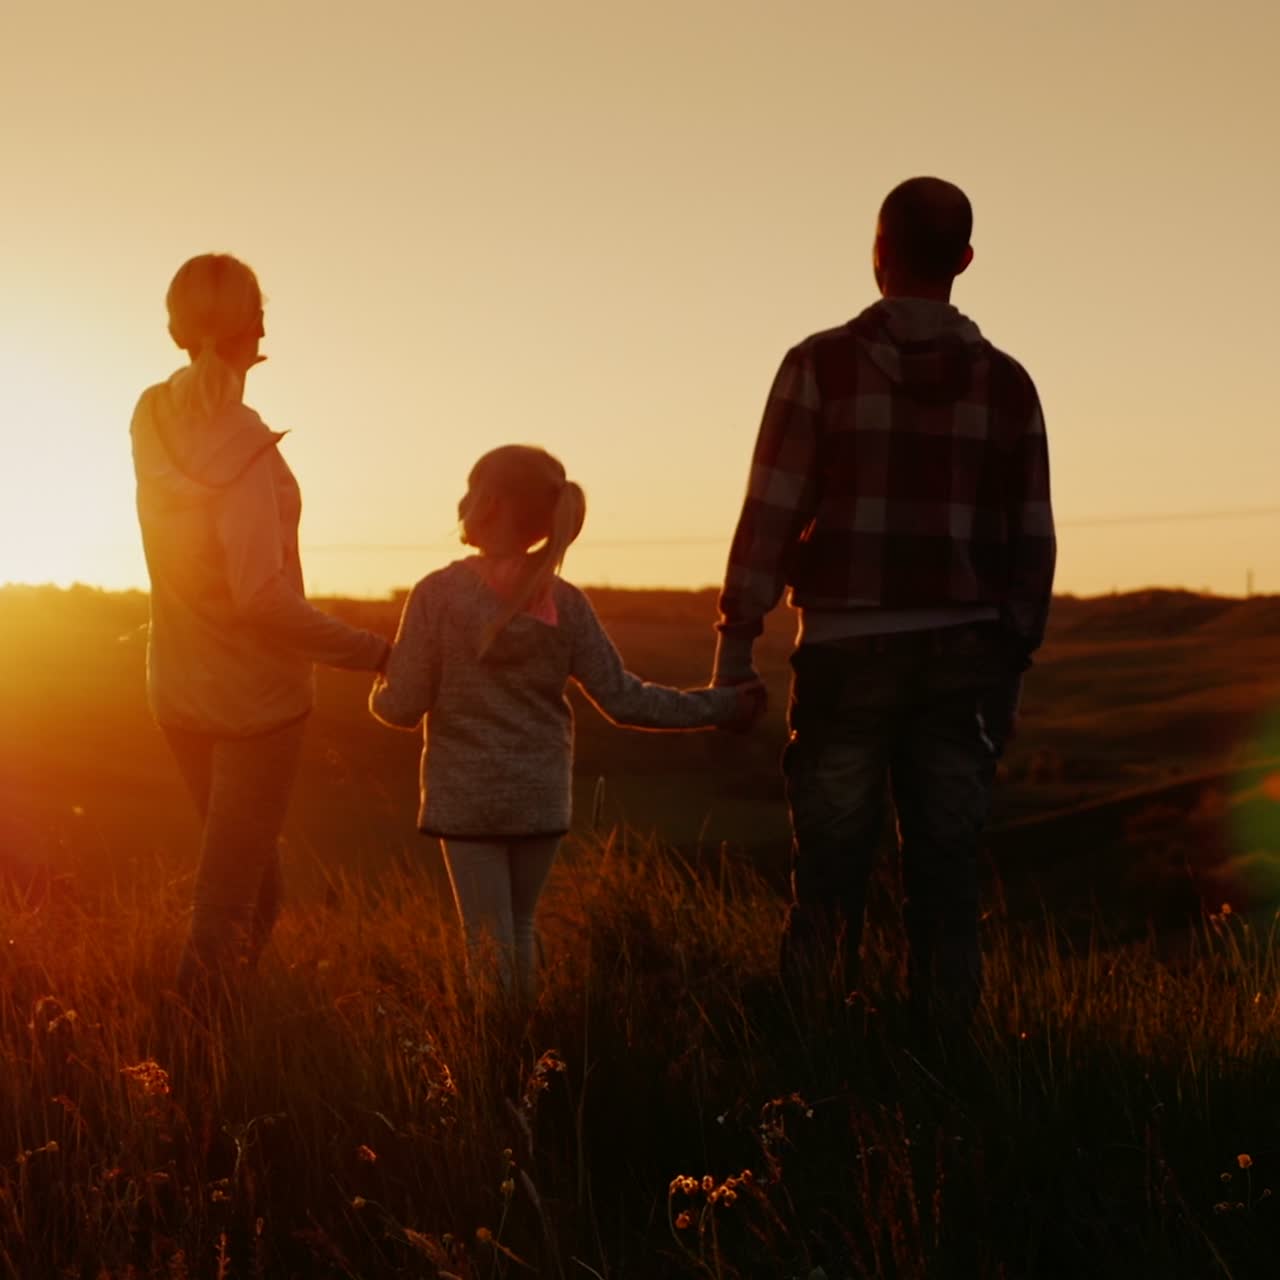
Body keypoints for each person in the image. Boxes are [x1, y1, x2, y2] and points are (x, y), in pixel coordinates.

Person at [713, 177, 1056, 1033]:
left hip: (844, 652)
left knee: (828, 872)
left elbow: (772, 507)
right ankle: (945, 1071)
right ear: (965, 262)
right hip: (964, 657)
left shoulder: (818, 364)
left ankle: (813, 1065)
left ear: (878, 253)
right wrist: (1011, 664)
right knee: (946, 876)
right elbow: (1031, 541)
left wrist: (737, 638)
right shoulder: (1009, 385)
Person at [370, 444, 764, 1000]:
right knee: (520, 931)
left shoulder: (437, 594)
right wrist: (721, 705)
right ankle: (525, 1054)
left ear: (489, 503)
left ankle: (498, 1066)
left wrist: (379, 677)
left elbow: (402, 706)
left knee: (485, 941)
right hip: (541, 796)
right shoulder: (566, 602)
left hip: (467, 799)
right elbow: (627, 700)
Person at [131, 253, 391, 998]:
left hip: (175, 688)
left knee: (249, 886)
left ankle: (224, 1041)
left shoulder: (147, 413)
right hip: (257, 706)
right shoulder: (246, 447)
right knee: (230, 906)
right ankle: (190, 1063)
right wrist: (374, 651)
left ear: (176, 329)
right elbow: (260, 599)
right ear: (260, 328)